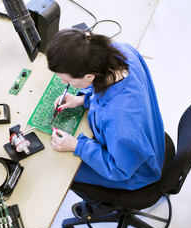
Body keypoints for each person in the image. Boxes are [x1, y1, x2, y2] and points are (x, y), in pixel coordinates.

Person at [46, 28, 165, 218]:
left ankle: (101, 205)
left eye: (66, 79)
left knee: (65, 170)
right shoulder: (120, 52)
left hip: (135, 171)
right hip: (143, 142)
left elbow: (119, 169)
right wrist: (83, 99)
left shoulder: (118, 117)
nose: (62, 82)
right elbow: (105, 87)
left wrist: (77, 145)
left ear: (89, 76)